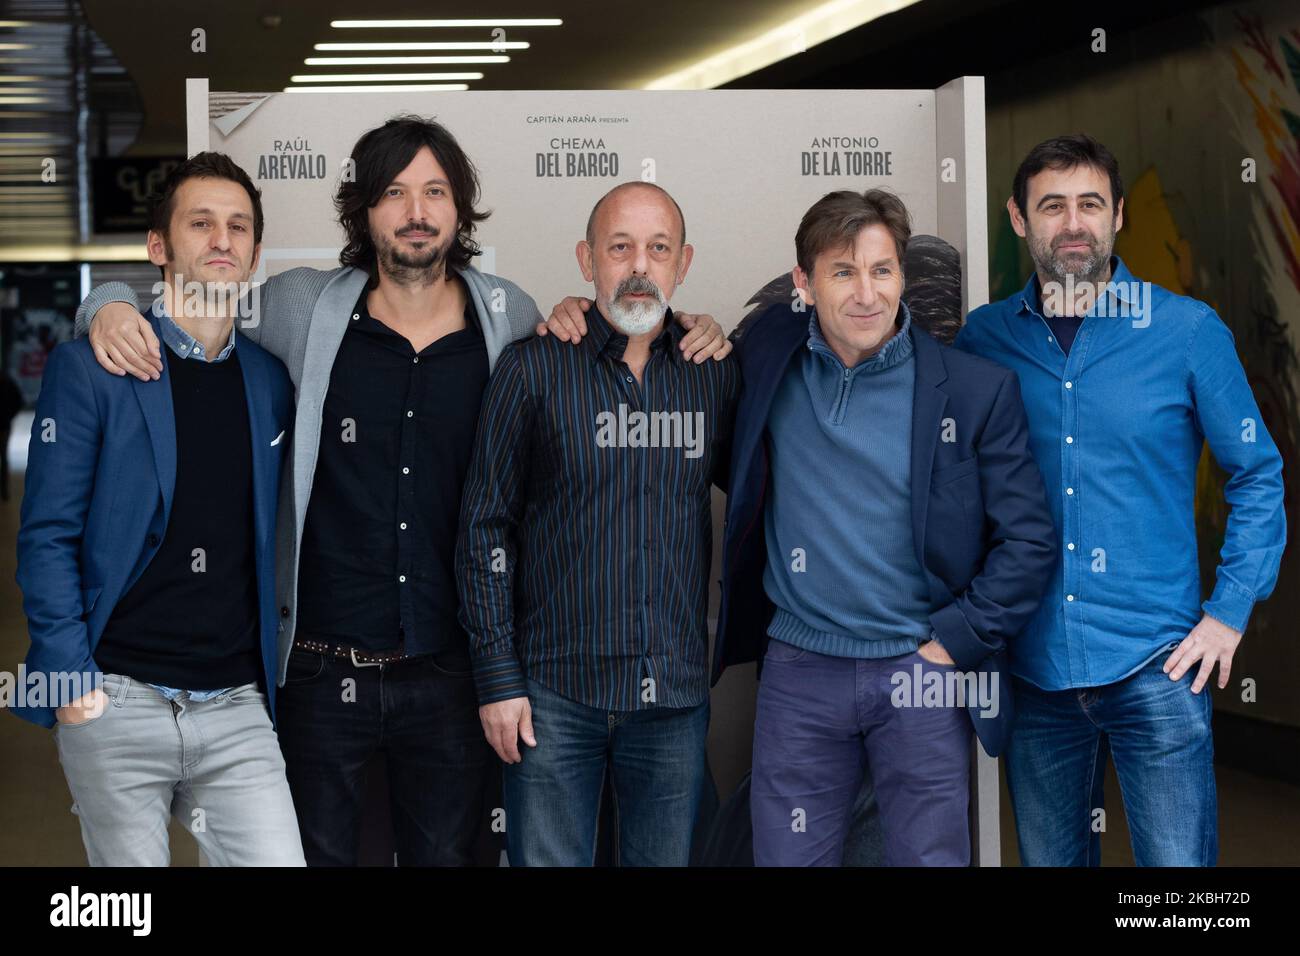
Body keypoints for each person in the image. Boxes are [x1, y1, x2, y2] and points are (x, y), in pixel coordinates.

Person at [72, 115, 731, 866]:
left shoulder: (506, 315)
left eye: (435, 192)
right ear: (364, 210)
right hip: (320, 670)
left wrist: (686, 326)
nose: (416, 211)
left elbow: (614, 325)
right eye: (393, 192)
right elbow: (195, 294)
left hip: (450, 673)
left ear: (459, 209)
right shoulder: (300, 308)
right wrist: (108, 305)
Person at [956, 134, 1286, 866]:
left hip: (1158, 666)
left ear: (1118, 216)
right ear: (1018, 218)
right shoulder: (983, 340)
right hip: (1034, 667)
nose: (1073, 223)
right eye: (1052, 205)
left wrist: (1229, 613)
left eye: (1090, 204)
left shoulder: (1187, 332)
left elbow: (1258, 474)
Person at [714, 188, 1056, 866]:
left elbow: (1029, 542)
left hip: (921, 670)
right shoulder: (767, 355)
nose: (866, 293)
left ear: (901, 274)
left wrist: (951, 646)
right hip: (799, 672)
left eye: (882, 270)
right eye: (843, 272)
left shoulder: (973, 390)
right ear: (803, 283)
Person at [13, 152, 303, 866]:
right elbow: (47, 534)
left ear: (256, 252)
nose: (222, 240)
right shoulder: (94, 367)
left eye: (238, 227)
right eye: (200, 223)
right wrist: (73, 685)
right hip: (118, 696)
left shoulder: (268, 380)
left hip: (236, 705)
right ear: (158, 245)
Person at [457, 181, 741, 866]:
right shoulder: (534, 367)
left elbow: (769, 497)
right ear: (587, 259)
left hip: (671, 698)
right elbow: (483, 528)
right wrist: (498, 678)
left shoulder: (716, 375)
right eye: (620, 247)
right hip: (554, 696)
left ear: (684, 262)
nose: (639, 266)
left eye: (658, 248)